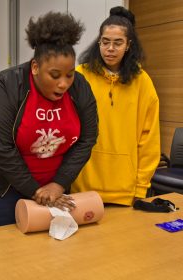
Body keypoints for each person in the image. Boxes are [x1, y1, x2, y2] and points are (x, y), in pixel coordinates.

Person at [0, 12, 98, 228]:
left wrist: (59, 184)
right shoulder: (5, 85)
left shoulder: (80, 87)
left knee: (52, 244)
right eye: (55, 75)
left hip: (56, 184)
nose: (64, 83)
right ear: (35, 67)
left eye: (69, 74)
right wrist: (35, 190)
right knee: (3, 246)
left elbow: (87, 139)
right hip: (6, 185)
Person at [71, 7, 160, 205]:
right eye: (105, 42)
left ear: (128, 45)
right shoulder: (80, 76)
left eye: (118, 43)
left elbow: (149, 139)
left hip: (125, 190)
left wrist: (141, 187)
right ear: (99, 42)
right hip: (82, 187)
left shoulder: (142, 81)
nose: (110, 48)